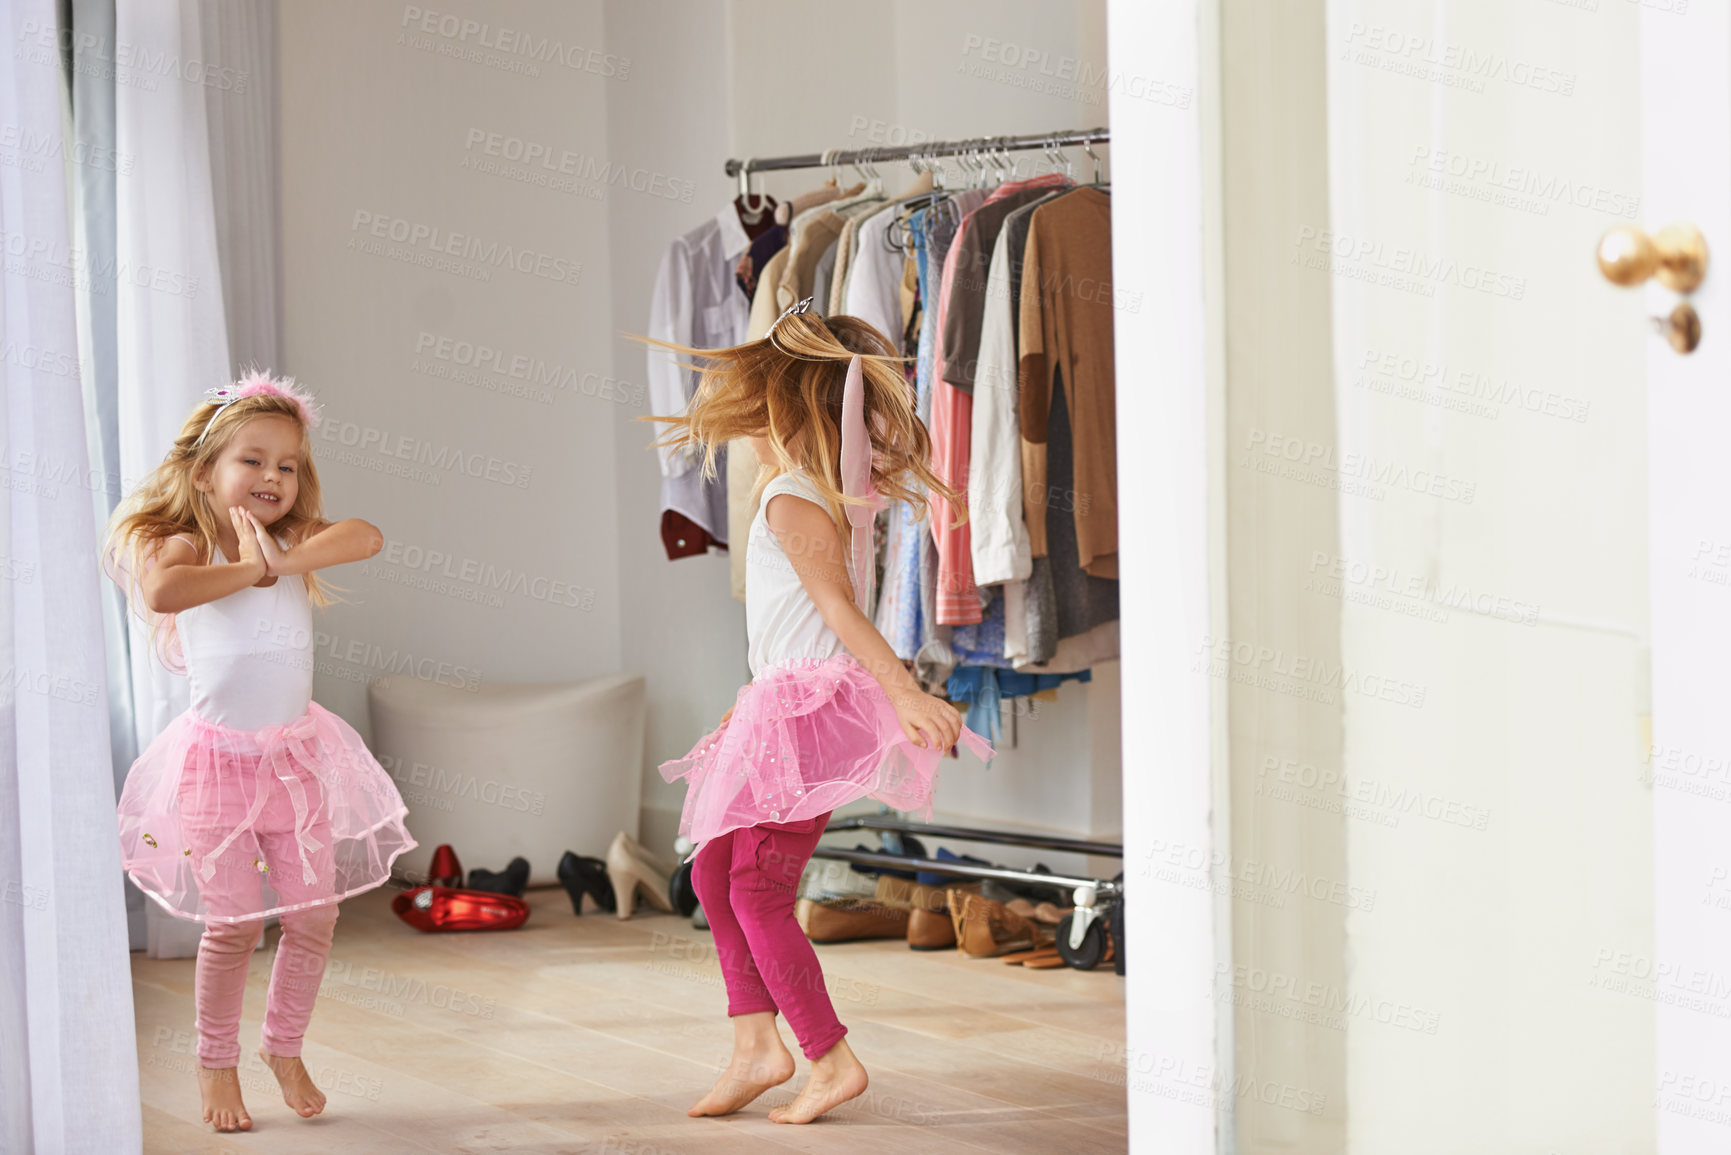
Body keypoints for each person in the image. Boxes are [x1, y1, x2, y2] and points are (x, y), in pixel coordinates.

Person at [642, 299, 995, 1124]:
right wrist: (748, 709)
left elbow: (836, 611)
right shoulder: (807, 490)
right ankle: (754, 1044)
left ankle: (826, 1055)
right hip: (777, 703)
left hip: (802, 713)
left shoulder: (795, 496)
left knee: (758, 889)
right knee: (712, 873)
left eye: (754, 409)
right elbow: (791, 626)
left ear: (785, 408)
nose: (744, 431)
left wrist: (903, 691)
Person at [105, 371, 416, 1132]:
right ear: (206, 471)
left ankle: (283, 1044)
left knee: (313, 918)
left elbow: (367, 536)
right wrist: (248, 568)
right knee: (235, 925)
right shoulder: (185, 542)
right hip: (216, 768)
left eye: (288, 464)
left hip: (299, 761)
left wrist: (277, 559)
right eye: (253, 459)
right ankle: (216, 1060)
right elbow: (163, 592)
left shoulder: (293, 541)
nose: (273, 476)